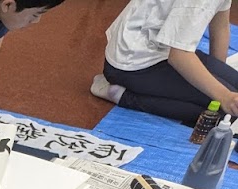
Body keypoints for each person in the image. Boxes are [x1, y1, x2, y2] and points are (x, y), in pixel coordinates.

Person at [93, 0, 238, 124]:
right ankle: (121, 95)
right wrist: (224, 97)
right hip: (133, 60)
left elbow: (220, 26)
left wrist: (218, 77)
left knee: (229, 95)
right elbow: (179, 56)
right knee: (224, 115)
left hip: (163, 47)